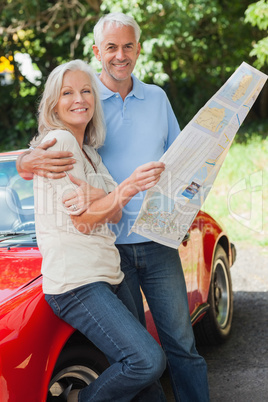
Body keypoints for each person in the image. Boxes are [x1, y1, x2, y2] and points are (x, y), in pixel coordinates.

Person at [17, 13, 210, 402]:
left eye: (127, 46)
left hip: (155, 241)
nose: (120, 55)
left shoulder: (149, 103)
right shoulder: (82, 101)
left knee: (180, 345)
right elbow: (47, 155)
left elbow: (181, 163)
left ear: (138, 50)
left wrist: (181, 212)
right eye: (111, 47)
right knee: (141, 359)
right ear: (97, 52)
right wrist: (25, 162)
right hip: (109, 255)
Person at [32, 59, 167, 402]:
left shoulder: (90, 152)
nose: (79, 99)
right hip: (77, 282)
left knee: (147, 386)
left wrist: (107, 198)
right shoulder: (59, 142)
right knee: (146, 361)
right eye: (67, 93)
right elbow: (85, 219)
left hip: (108, 274)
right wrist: (126, 188)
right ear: (54, 105)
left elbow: (112, 212)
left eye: (86, 90)